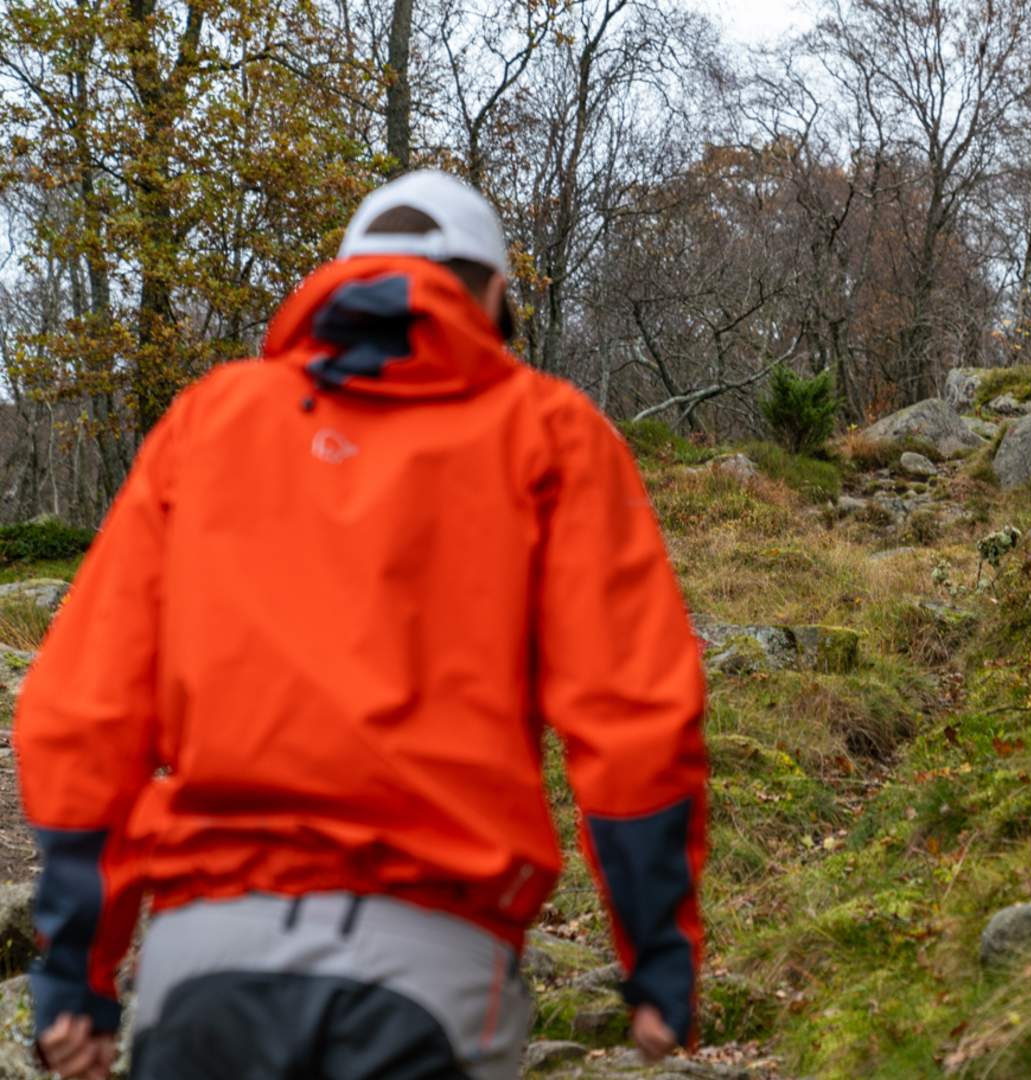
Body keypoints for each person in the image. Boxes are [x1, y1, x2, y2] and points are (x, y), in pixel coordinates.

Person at [13, 170, 709, 1080]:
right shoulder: (549, 433)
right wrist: (657, 958)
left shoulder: (209, 423)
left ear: (340, 281)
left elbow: (84, 712)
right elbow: (633, 718)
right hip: (435, 966)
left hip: (203, 969)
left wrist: (77, 975)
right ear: (495, 297)